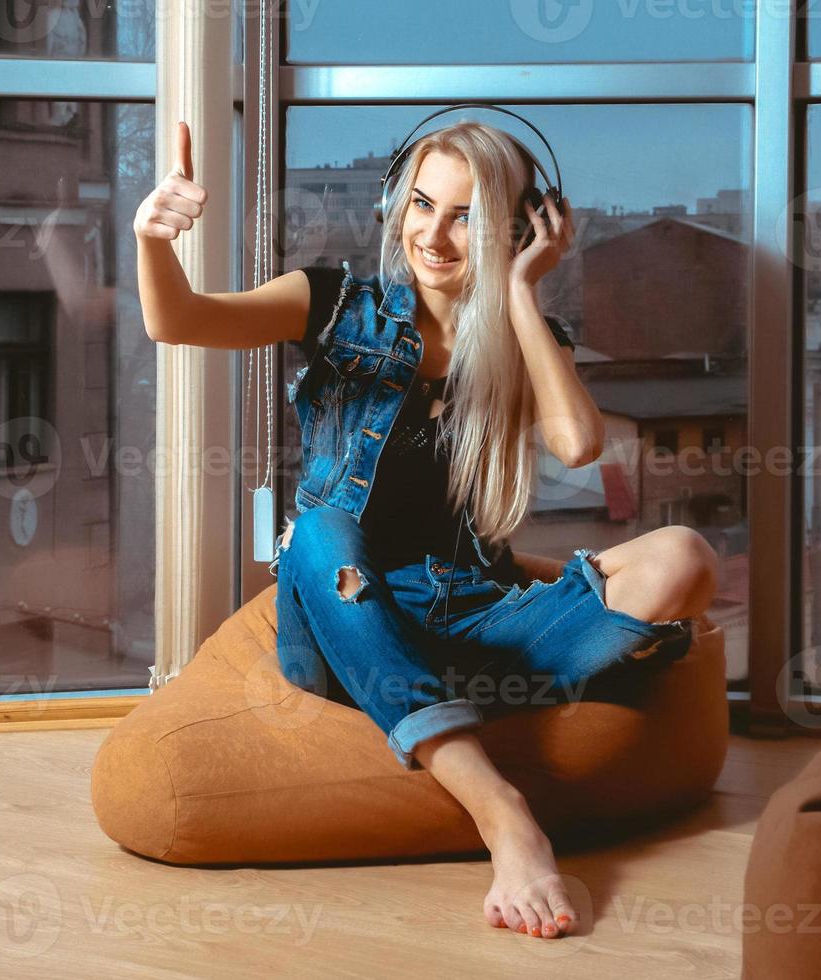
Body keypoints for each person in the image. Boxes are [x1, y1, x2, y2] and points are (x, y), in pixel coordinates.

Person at [133, 119, 720, 941]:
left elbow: (580, 445)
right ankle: (502, 812)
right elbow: (179, 319)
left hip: (475, 620)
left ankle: (442, 702)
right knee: (319, 534)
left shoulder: (523, 339)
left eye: (466, 217)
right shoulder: (334, 304)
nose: (433, 236)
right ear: (393, 204)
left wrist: (520, 295)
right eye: (421, 205)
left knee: (684, 558)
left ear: (519, 232)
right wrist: (152, 238)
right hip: (345, 623)